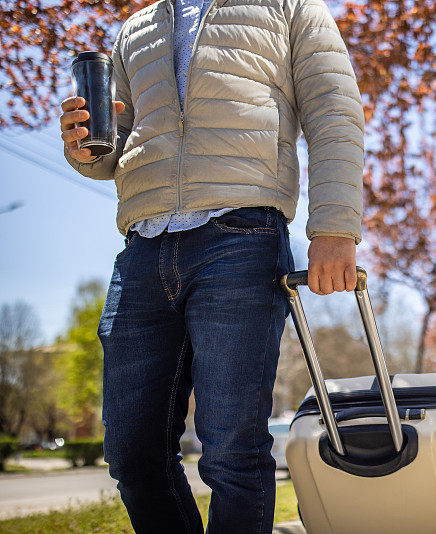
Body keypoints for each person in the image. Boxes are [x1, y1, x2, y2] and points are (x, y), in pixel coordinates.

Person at [59, 0, 364, 532]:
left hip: (240, 234)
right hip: (143, 246)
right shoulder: (136, 28)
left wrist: (334, 227)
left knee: (231, 450)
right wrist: (84, 149)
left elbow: (334, 107)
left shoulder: (288, 7)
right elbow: (116, 150)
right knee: (132, 453)